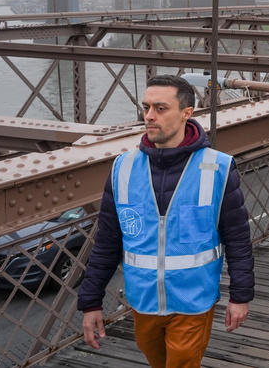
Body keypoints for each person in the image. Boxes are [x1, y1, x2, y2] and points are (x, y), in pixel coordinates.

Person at [78, 75, 253, 367]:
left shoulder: (218, 167)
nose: (149, 116)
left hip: (193, 301)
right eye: (145, 107)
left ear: (187, 112)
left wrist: (240, 296)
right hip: (142, 300)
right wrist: (91, 302)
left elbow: (237, 238)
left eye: (160, 108)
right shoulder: (123, 168)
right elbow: (107, 242)